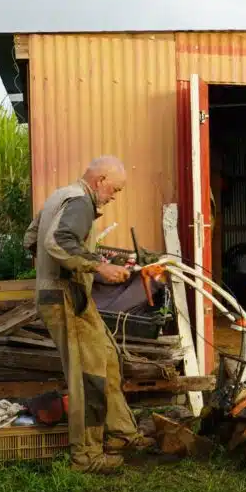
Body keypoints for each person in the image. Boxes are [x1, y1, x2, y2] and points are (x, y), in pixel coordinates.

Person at [23, 155, 156, 473]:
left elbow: (31, 239)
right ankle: (86, 456)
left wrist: (73, 265)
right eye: (115, 190)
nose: (114, 197)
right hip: (64, 298)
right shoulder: (81, 201)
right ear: (100, 181)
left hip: (69, 294)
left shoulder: (59, 196)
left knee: (107, 358)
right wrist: (97, 266)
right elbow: (58, 240)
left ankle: (122, 434)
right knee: (88, 375)